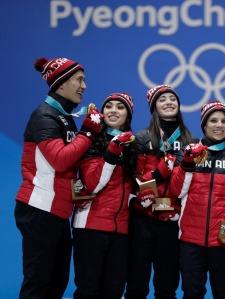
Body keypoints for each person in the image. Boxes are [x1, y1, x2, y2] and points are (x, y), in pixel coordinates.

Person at [15, 57, 103, 299]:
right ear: (61, 83)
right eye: (79, 79)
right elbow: (60, 160)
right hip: (39, 209)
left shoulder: (63, 117)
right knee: (39, 283)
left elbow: (70, 168)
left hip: (58, 212)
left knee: (56, 283)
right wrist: (88, 132)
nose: (84, 86)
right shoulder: (44, 115)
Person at [169, 100, 225, 299]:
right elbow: (177, 192)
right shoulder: (188, 152)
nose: (219, 125)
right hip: (191, 239)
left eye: (224, 121)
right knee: (192, 292)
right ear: (204, 125)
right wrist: (187, 163)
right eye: (213, 120)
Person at [125, 85, 194, 299]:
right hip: (142, 220)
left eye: (173, 99)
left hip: (172, 222)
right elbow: (132, 182)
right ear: (154, 106)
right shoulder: (142, 138)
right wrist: (157, 175)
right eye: (162, 99)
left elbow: (193, 185)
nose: (169, 102)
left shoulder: (189, 142)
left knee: (167, 285)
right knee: (136, 283)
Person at [71, 92, 136, 299]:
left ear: (128, 115)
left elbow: (133, 188)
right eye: (109, 106)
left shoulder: (133, 145)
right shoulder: (91, 139)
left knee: (114, 291)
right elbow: (92, 184)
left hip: (121, 230)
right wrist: (111, 152)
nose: (114, 110)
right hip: (91, 226)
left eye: (120, 107)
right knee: (88, 290)